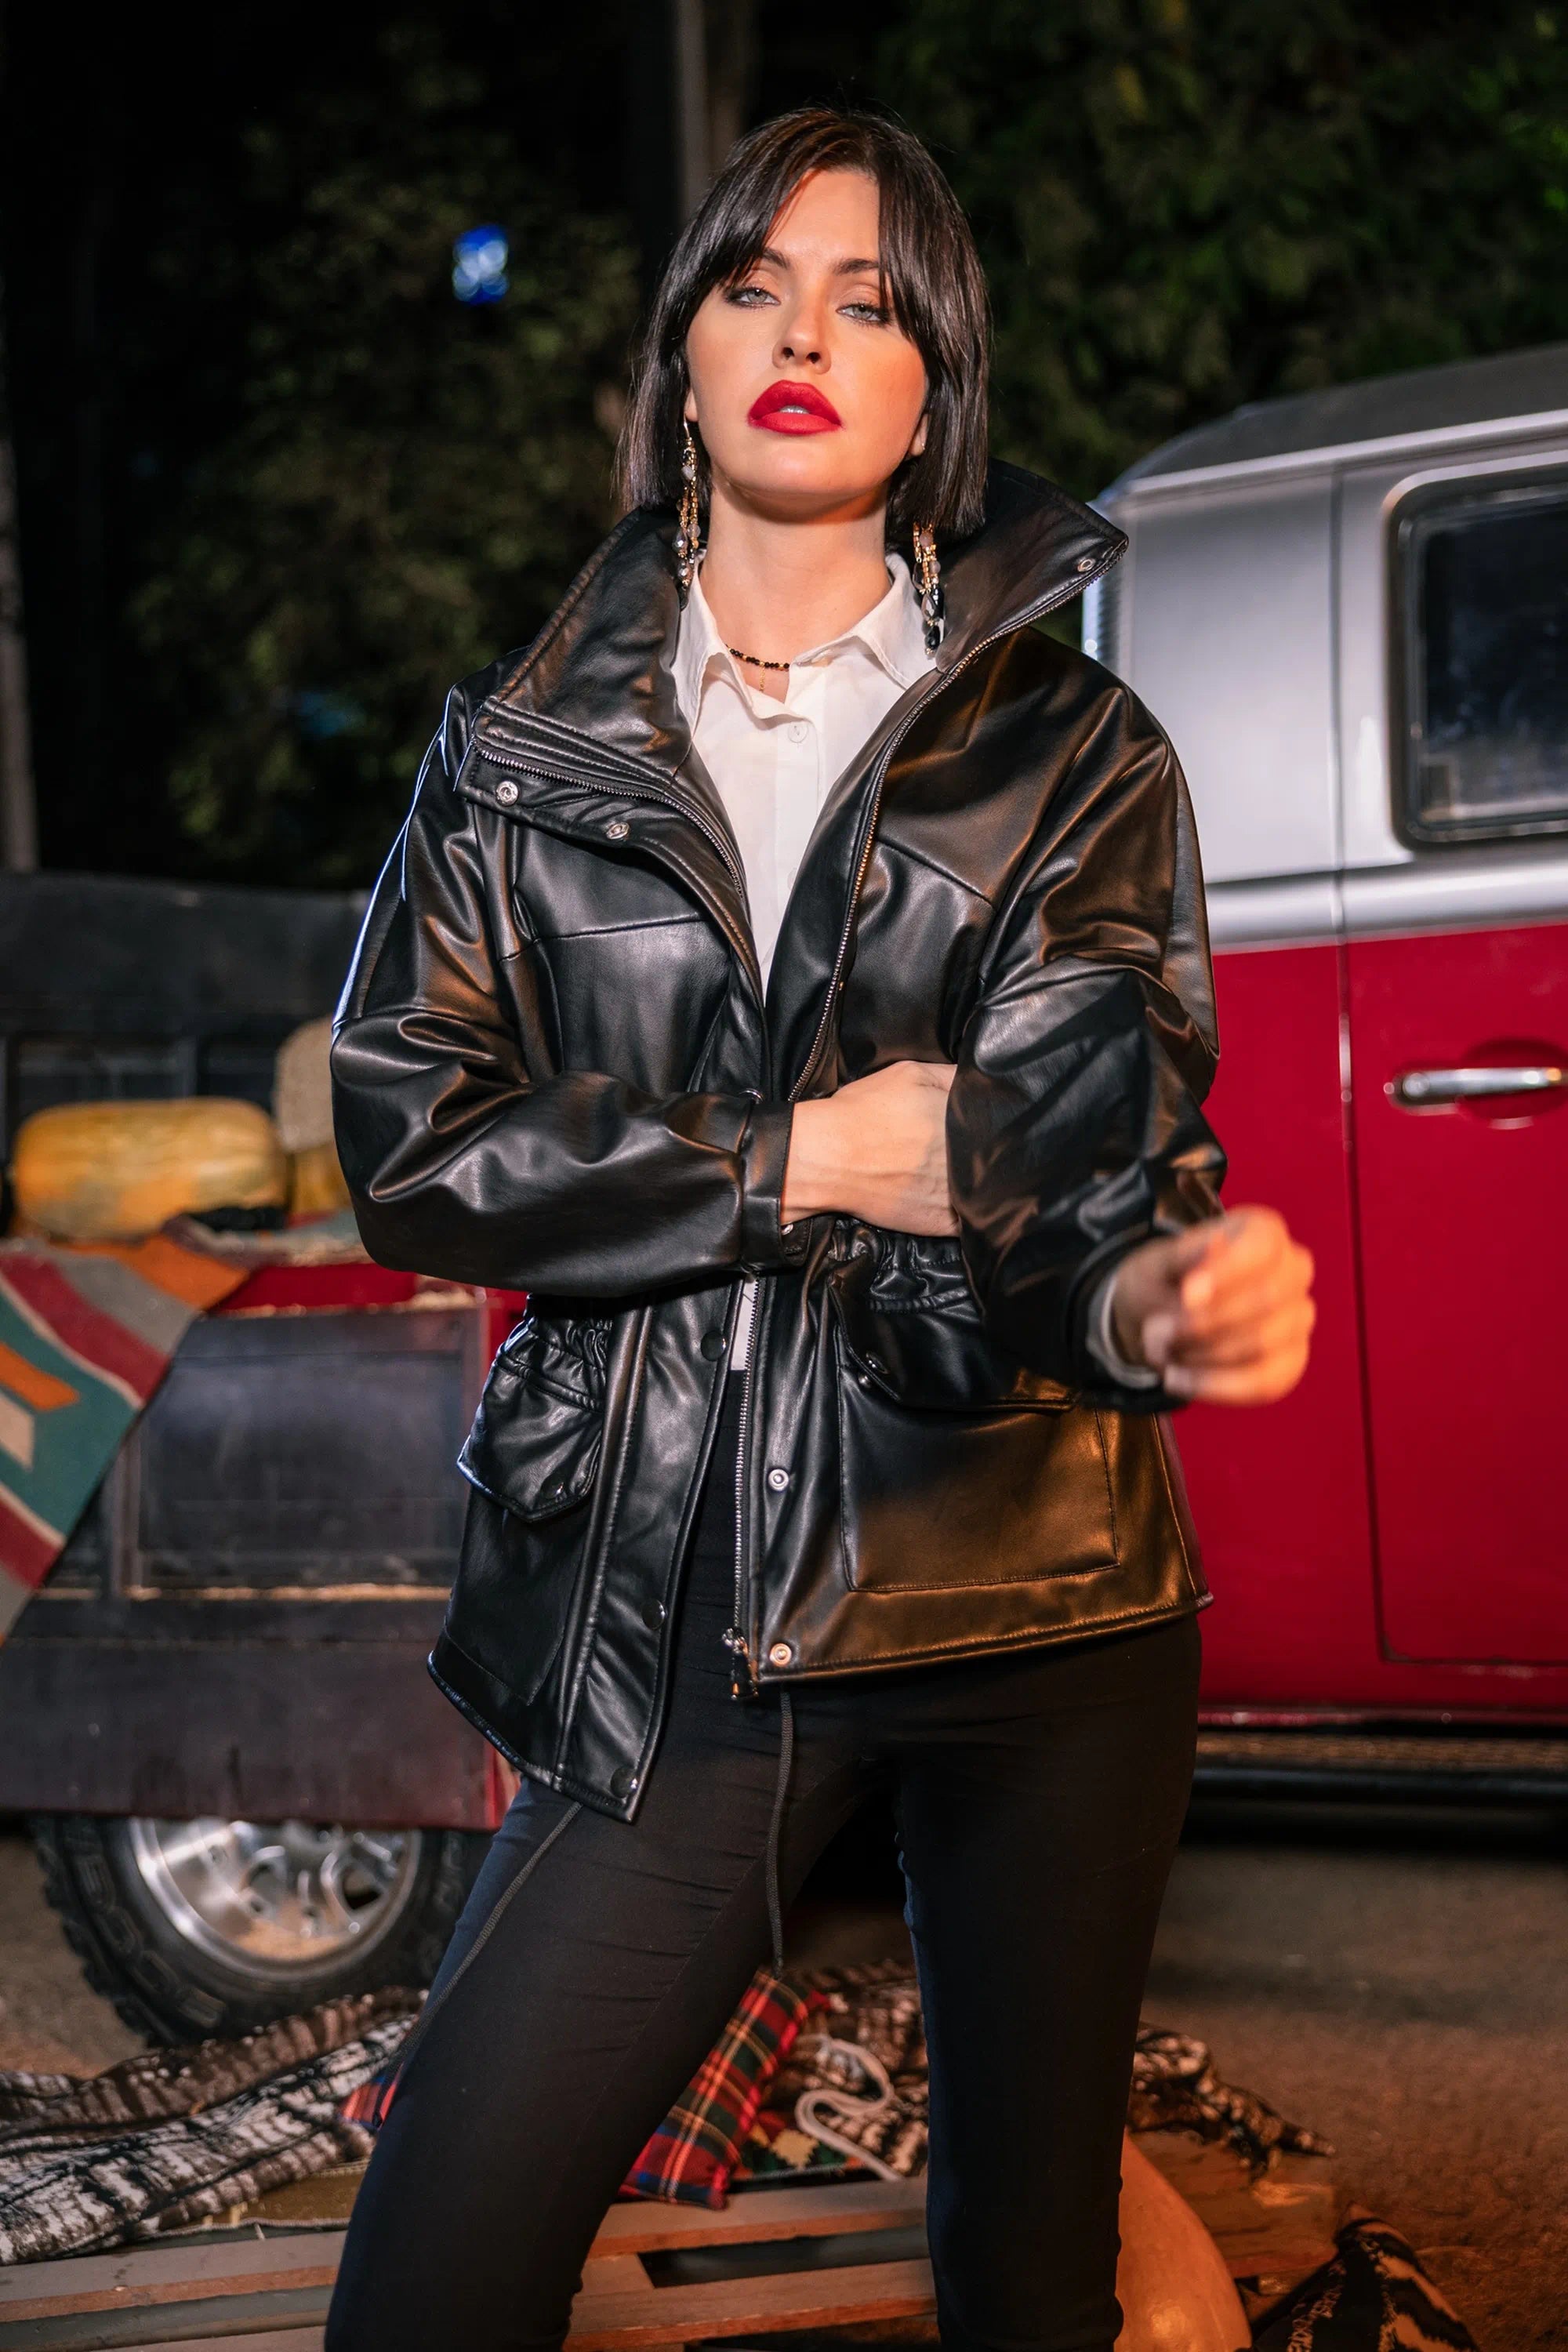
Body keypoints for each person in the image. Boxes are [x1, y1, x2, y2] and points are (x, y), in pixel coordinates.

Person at [325, 107, 1314, 2352]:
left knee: (1026, 2272)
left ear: (931, 388)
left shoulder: (1069, 752)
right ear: (677, 356)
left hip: (1041, 1594)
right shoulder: (511, 758)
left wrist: (1154, 1291)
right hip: (681, 1614)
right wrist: (795, 1161)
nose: (807, 332)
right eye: (757, 282)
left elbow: (1086, 1160)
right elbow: (417, 1142)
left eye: (875, 302)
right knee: (440, 2272)